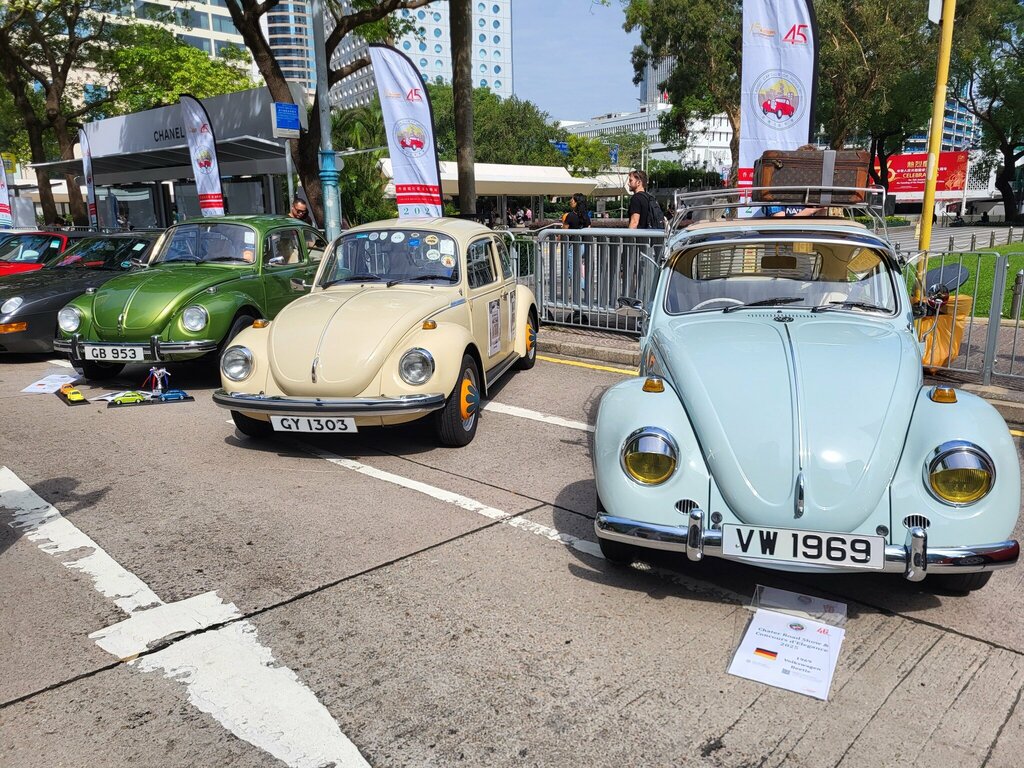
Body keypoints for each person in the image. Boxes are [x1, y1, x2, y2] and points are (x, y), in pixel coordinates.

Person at [562, 193, 592, 297]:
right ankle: (581, 290)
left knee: (572, 270)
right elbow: (589, 228)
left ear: (576, 202)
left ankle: (583, 288)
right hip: (584, 246)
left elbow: (564, 232)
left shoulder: (570, 216)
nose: (570, 201)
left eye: (572, 199)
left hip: (574, 246)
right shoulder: (586, 216)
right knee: (581, 269)